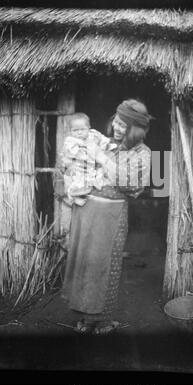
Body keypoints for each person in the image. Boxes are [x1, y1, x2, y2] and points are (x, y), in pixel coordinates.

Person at [61, 99, 153, 335]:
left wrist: (101, 158)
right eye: (117, 122)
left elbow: (133, 185)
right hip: (86, 211)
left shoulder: (142, 153)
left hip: (111, 215)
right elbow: (74, 165)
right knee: (86, 265)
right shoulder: (105, 142)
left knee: (106, 267)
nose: (117, 128)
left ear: (136, 129)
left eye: (124, 126)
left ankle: (101, 321)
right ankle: (85, 319)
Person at [60, 112, 117, 206]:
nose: (79, 132)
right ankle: (75, 197)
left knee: (100, 172)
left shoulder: (93, 135)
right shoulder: (71, 141)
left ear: (89, 127)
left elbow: (101, 139)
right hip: (79, 166)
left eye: (82, 129)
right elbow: (69, 155)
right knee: (78, 183)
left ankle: (97, 183)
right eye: (75, 130)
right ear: (70, 131)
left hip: (92, 163)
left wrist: (105, 144)